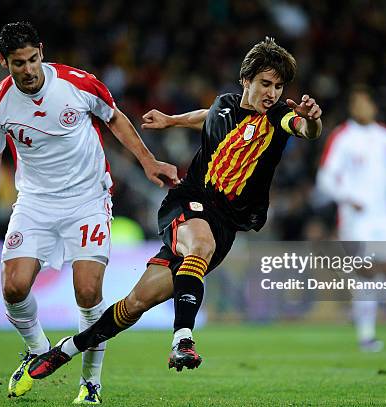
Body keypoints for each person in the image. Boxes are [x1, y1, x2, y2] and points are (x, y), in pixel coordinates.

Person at [26, 37, 323, 379]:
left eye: (279, 86)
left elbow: (305, 129)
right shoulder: (226, 104)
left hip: (225, 224)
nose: (272, 93)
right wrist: (172, 120)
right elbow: (210, 117)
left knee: (136, 303)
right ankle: (183, 339)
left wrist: (311, 120)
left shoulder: (278, 117)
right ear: (246, 81)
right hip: (189, 200)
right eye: (265, 84)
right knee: (200, 244)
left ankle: (66, 350)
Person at [0, 21, 178, 403]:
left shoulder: (77, 84)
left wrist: (148, 162)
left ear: (42, 52)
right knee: (13, 287)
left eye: (33, 59)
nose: (28, 69)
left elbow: (115, 118)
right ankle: (35, 349)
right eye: (18, 63)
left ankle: (90, 382)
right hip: (34, 203)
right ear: (3, 62)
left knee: (87, 290)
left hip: (87, 200)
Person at [316, 85, 386, 352]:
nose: (360, 107)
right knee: (367, 271)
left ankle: (362, 308)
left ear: (373, 106)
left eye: (364, 102)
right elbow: (324, 179)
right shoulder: (343, 137)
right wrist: (348, 197)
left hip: (384, 215)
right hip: (355, 216)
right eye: (355, 103)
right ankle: (366, 334)